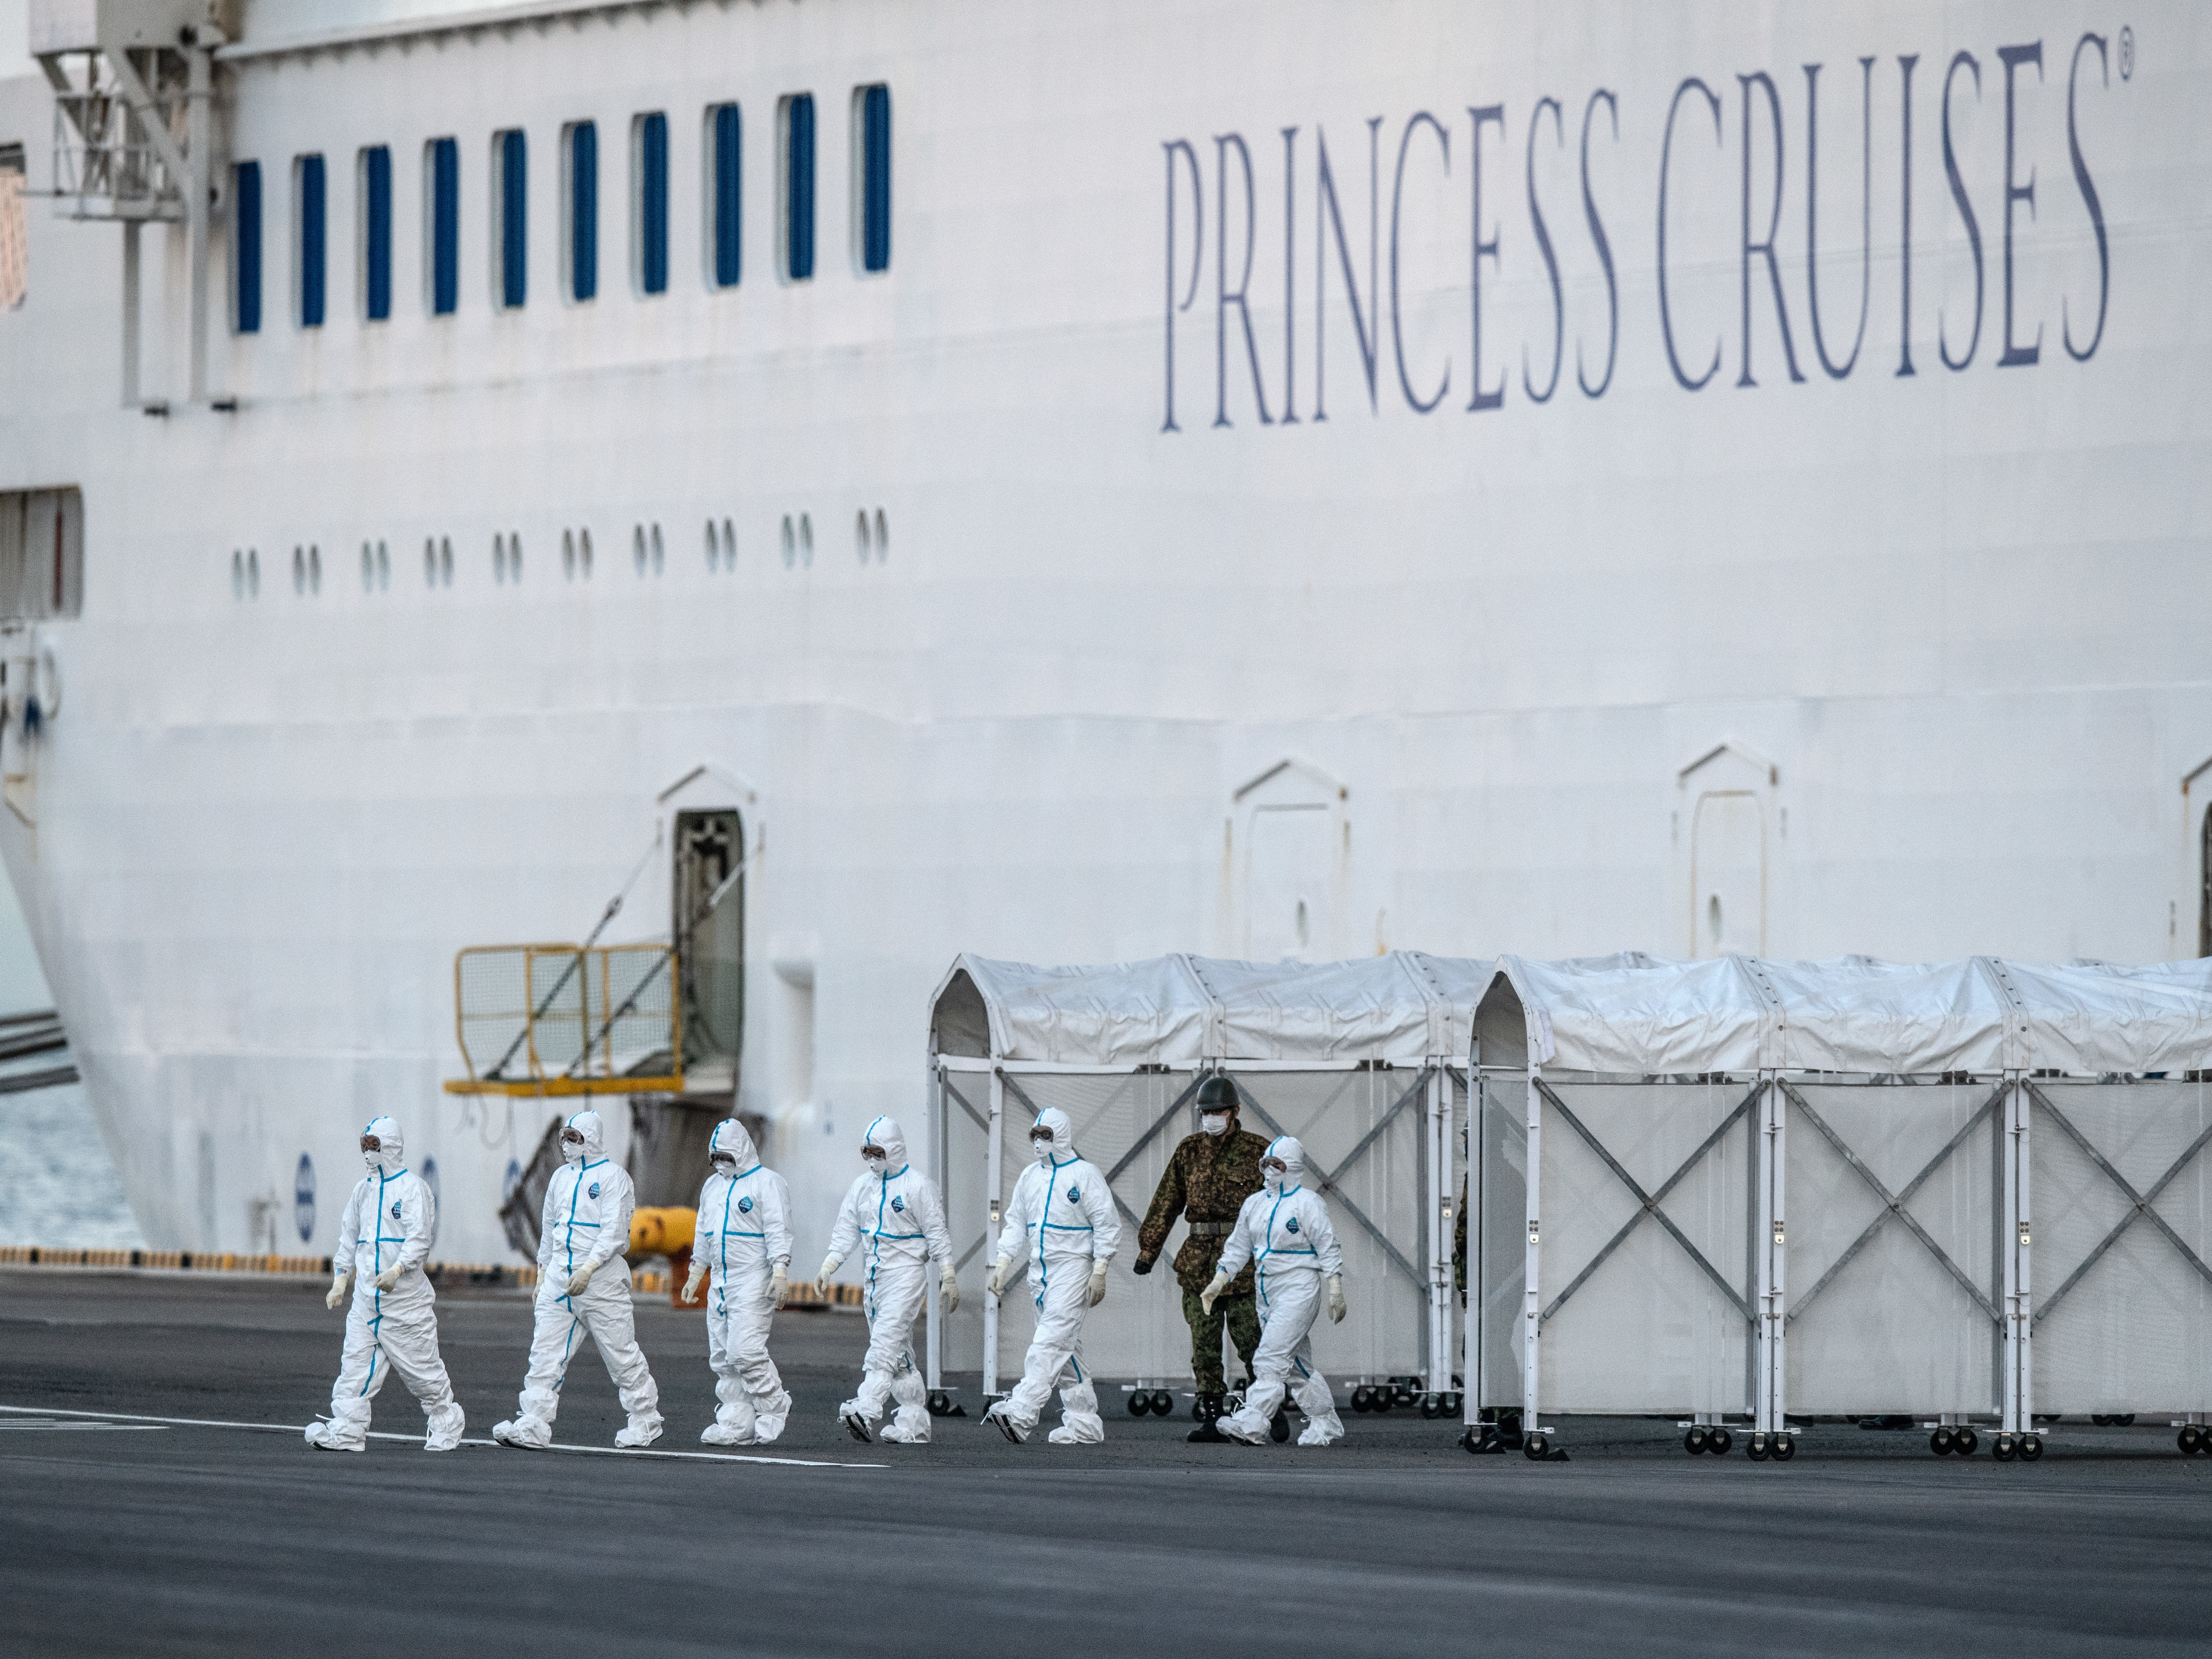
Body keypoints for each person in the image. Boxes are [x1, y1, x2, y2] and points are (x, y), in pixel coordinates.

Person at [492, 1108, 665, 1450]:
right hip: (560, 1281)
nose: (568, 1144)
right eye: (565, 1138)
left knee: (621, 1355)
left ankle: (645, 1419)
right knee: (544, 1355)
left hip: (601, 1284)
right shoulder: (560, 1178)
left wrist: (590, 1268)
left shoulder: (614, 1179)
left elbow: (615, 1232)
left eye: (575, 1138)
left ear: (592, 1140)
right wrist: (543, 1272)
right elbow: (550, 1228)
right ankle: (534, 1422)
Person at [305, 1116, 466, 1452]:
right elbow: (349, 1236)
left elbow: (419, 1239)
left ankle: (446, 1421)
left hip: (405, 1305)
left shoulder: (412, 1189)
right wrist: (340, 1279)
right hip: (366, 1302)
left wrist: (398, 1271)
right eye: (364, 1145)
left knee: (424, 1375)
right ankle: (347, 1431)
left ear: (391, 1147)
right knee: (354, 1369)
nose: (367, 1153)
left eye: (374, 1146)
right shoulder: (363, 1190)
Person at [1134, 1074, 1269, 1439]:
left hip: (1243, 1264)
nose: (1211, 1116)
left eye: (1218, 1110)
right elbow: (1167, 1201)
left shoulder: (1259, 1151)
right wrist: (1149, 1249)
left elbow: (1277, 1206)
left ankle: (1265, 1408)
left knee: (1253, 1341)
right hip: (1198, 1263)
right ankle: (1211, 1416)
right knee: (1204, 1345)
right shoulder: (1188, 1150)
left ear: (1234, 1111)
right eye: (1205, 1111)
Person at [982, 1107, 1122, 1445]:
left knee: (1049, 1341)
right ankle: (1084, 1422)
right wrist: (1002, 1262)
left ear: (1060, 1136)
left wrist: (1099, 1268)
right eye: (1035, 1135)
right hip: (1039, 1272)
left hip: (1074, 1268)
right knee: (1065, 1347)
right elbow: (1016, 1222)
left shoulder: (1084, 1175)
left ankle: (1023, 1410)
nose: (1039, 1142)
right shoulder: (1030, 1177)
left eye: (1046, 1135)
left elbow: (1107, 1223)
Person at [817, 1114, 957, 1444]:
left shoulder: (918, 1187)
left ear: (894, 1150)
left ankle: (866, 1409)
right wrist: (829, 1265)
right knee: (900, 1356)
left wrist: (948, 1273)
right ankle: (913, 1423)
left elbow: (937, 1232)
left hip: (906, 1276)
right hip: (875, 1279)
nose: (872, 1160)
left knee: (883, 1347)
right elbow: (847, 1229)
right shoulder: (863, 1187)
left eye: (878, 1153)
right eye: (867, 1153)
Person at [1199, 1135, 1347, 1447]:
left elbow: (1327, 1246)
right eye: (1265, 1164)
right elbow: (1238, 1247)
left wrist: (1335, 1285)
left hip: (1299, 1288)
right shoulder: (1254, 1204)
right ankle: (1325, 1423)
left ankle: (1253, 1422)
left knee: (1270, 1357)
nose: (1269, 1171)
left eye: (1277, 1164)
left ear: (1292, 1167)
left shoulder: (1308, 1204)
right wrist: (1218, 1282)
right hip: (1266, 1290)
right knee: (1297, 1367)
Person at [682, 1117, 794, 1446]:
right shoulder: (712, 1187)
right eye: (715, 1158)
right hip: (720, 1280)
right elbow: (704, 1232)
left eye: (726, 1157)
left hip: (753, 1279)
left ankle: (774, 1406)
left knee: (745, 1351)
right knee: (722, 1357)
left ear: (742, 1152)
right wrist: (695, 1273)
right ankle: (736, 1421)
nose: (720, 1164)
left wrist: (780, 1270)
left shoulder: (767, 1183)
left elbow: (778, 1229)